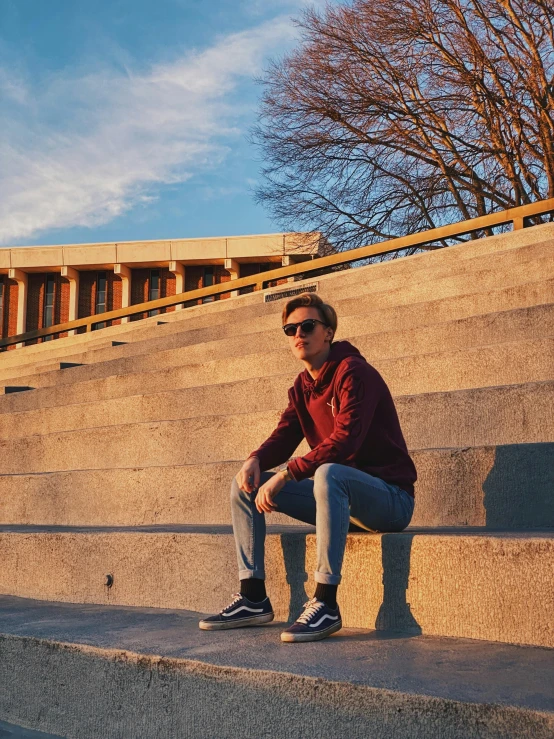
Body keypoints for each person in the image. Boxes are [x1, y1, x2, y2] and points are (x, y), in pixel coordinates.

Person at [199, 292, 417, 642]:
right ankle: (253, 595)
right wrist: (255, 458)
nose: (298, 334)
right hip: (340, 504)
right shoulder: (301, 388)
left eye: (307, 326)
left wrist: (287, 473)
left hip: (389, 500)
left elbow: (346, 441)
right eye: (290, 329)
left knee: (329, 472)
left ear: (328, 332)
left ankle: (326, 603)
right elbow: (284, 436)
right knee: (246, 483)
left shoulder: (354, 372)